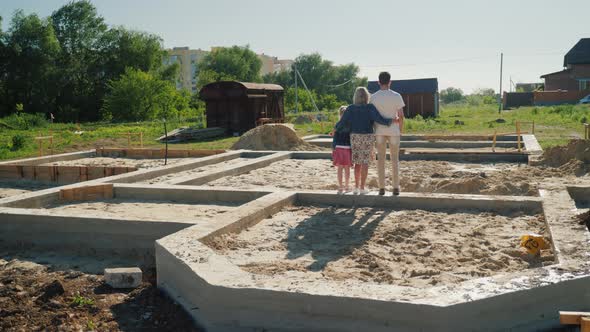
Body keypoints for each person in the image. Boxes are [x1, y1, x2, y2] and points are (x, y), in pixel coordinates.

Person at [337, 87, 391, 195]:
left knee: (357, 162)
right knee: (365, 162)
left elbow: (342, 122)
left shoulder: (351, 108)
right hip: (367, 136)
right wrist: (390, 121)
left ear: (355, 96)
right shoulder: (370, 107)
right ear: (367, 96)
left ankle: (356, 187)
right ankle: (362, 187)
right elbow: (379, 119)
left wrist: (335, 129)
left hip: (355, 136)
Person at [370, 72, 405, 196]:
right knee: (395, 159)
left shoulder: (373, 97)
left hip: (379, 131)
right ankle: (395, 187)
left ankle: (381, 188)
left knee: (381, 160)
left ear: (378, 82)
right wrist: (400, 130)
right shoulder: (396, 96)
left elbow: (372, 116)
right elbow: (401, 116)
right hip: (394, 130)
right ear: (390, 82)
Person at [331, 106, 352, 194]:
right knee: (347, 168)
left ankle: (340, 186)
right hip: (347, 148)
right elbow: (352, 137)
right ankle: (346, 186)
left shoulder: (337, 124)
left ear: (340, 114)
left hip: (339, 147)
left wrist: (333, 147)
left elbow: (335, 137)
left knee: (340, 168)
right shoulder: (351, 124)